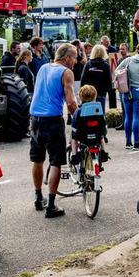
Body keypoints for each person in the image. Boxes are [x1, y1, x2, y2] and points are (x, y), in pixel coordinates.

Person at [29, 43, 79, 218]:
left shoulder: (43, 67)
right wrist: (80, 115)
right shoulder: (66, 72)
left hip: (35, 119)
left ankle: (38, 197)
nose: (76, 60)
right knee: (57, 162)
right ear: (66, 58)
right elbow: (71, 101)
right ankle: (51, 205)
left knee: (38, 159)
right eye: (74, 57)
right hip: (52, 120)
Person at [69, 84, 108, 165]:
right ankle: (104, 152)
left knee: (74, 139)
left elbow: (74, 126)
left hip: (82, 136)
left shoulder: (79, 111)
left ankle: (74, 156)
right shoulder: (99, 108)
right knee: (101, 136)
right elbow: (103, 123)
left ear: (80, 97)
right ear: (94, 96)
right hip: (97, 135)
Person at [81, 44, 113, 113]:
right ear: (103, 53)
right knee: (100, 114)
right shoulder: (105, 65)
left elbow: (83, 80)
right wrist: (106, 90)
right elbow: (109, 82)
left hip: (88, 94)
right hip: (101, 94)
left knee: (88, 114)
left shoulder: (88, 64)